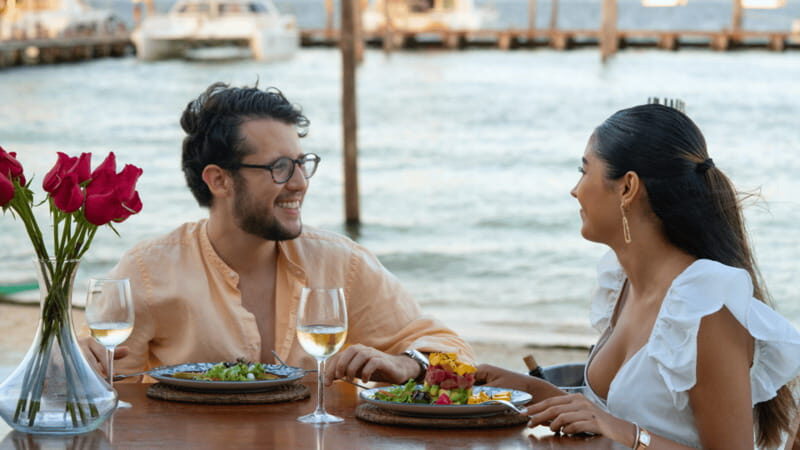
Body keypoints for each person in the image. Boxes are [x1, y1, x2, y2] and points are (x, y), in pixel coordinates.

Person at [80, 82, 473, 385]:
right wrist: (79, 361)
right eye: (280, 167)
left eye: (302, 164)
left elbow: (456, 351)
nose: (300, 183)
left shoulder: (341, 264)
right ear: (219, 180)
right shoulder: (149, 272)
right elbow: (104, 386)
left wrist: (407, 363)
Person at [476, 104, 800, 449]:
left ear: (628, 187)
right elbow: (614, 413)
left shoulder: (703, 303)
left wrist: (628, 435)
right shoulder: (624, 285)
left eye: (584, 171)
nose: (575, 190)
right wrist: (529, 389)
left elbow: (627, 428)